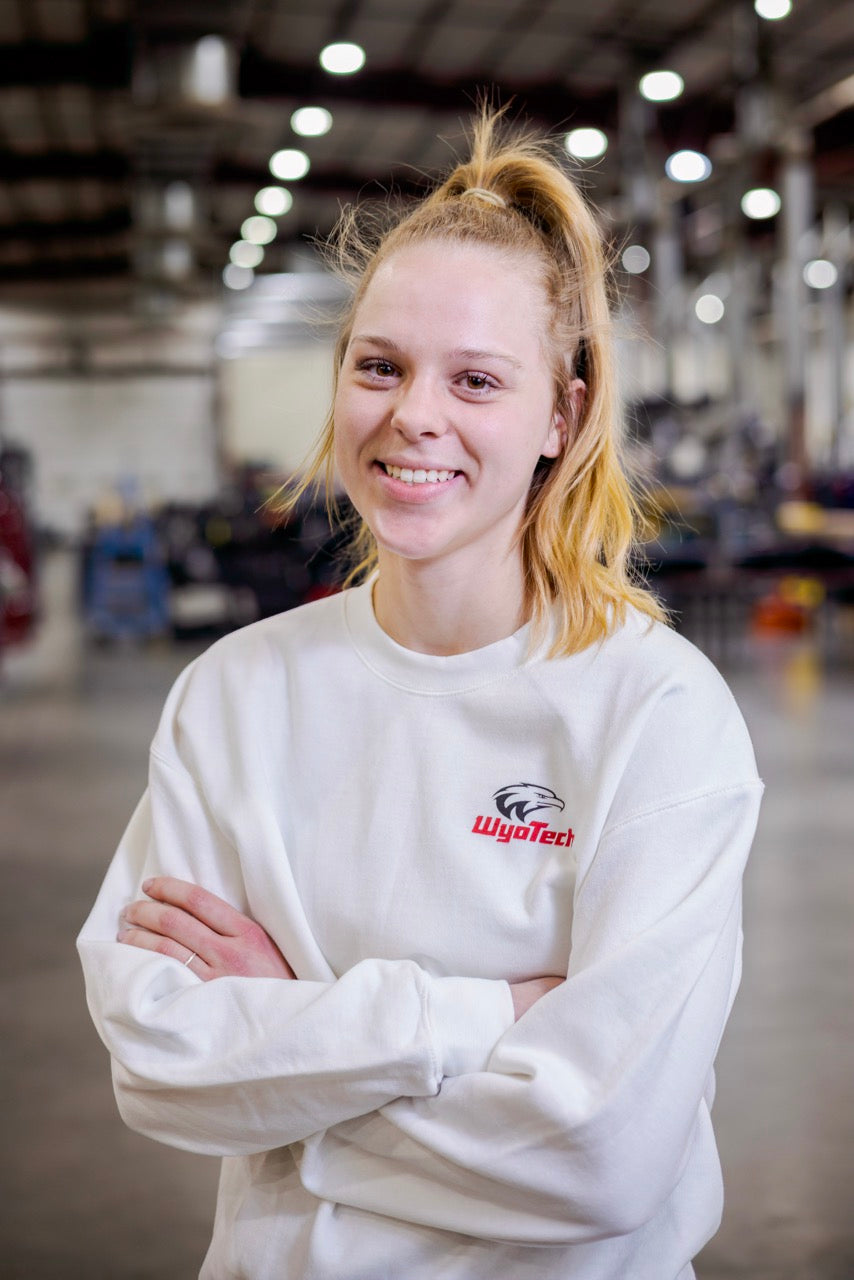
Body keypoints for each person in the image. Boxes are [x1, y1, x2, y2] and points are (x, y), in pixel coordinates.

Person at [78, 111, 763, 1280]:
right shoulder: (236, 695)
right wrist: (484, 1016)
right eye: (379, 366)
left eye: (477, 380)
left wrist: (293, 1050)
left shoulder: (652, 713)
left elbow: (602, 1155)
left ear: (562, 413)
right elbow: (158, 1057)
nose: (414, 418)